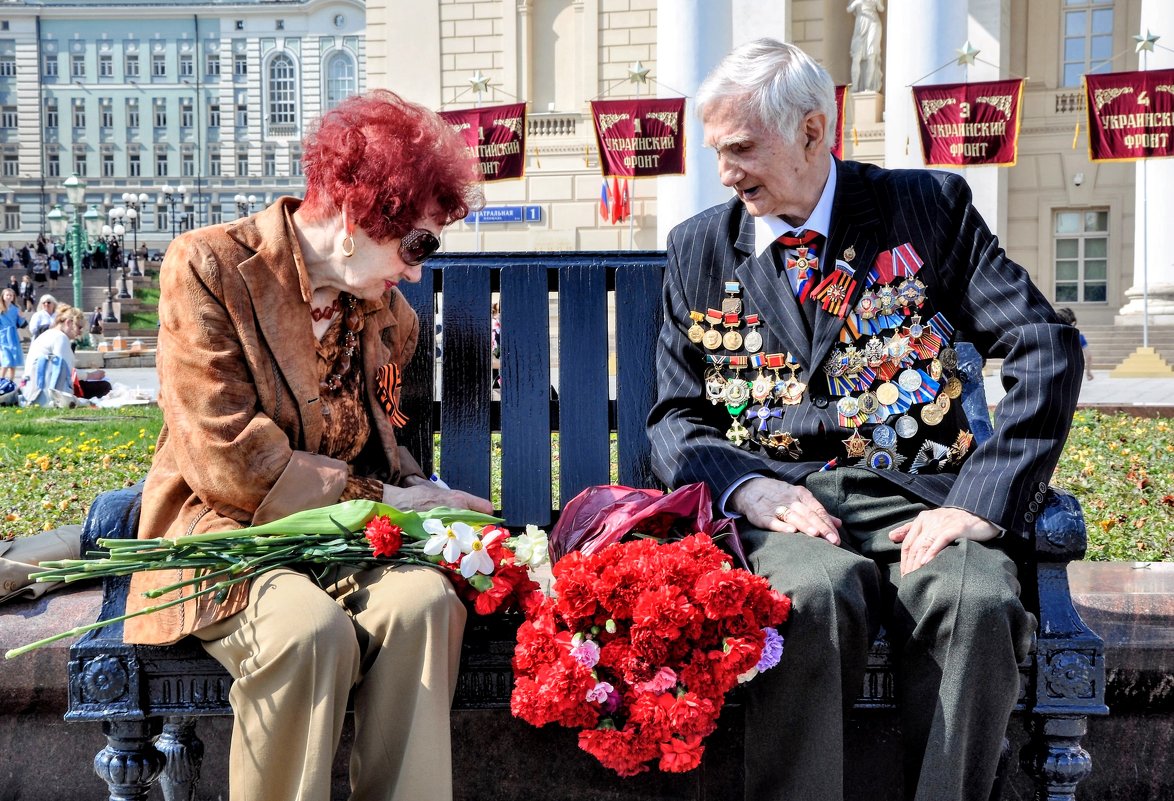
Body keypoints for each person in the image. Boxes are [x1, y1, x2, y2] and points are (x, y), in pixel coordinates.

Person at [647, 39, 1081, 801]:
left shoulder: (926, 208)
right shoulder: (698, 250)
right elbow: (675, 416)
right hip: (786, 507)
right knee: (805, 600)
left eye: (742, 147)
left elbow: (1045, 346)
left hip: (922, 501)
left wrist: (978, 502)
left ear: (814, 131)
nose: (725, 173)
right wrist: (745, 486)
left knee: (976, 603)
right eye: (717, 150)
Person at [122, 89, 490, 801]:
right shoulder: (209, 267)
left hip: (343, 542)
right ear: (356, 218)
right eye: (416, 243)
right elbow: (226, 458)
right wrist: (380, 496)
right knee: (307, 632)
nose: (418, 269)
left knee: (426, 608)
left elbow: (389, 442)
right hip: (223, 532)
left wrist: (429, 501)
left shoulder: (389, 314)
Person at [19, 303, 95, 405]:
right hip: (46, 393)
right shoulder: (60, 338)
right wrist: (90, 375)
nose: (80, 332)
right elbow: (67, 372)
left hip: (31, 390)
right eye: (79, 327)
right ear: (68, 323)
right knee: (103, 386)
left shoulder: (47, 334)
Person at [848, 0, 885, 93]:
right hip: (860, 23)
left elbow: (881, 9)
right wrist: (856, 2)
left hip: (873, 22)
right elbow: (849, 9)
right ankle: (855, 86)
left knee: (871, 55)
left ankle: (868, 87)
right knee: (856, 57)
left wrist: (877, 2)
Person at [1055, 307, 1095, 381]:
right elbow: (1089, 356)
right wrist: (1088, 372)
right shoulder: (1079, 337)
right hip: (1071, 375)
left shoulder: (1051, 336)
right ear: (1072, 323)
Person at [0, 286, 26, 382]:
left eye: (11, 295)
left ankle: (11, 381)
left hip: (13, 336)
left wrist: (22, 316)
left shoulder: (16, 309)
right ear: (3, 296)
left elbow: (22, 324)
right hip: (3, 336)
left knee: (13, 360)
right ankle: (1, 380)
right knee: (6, 360)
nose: (9, 297)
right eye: (7, 295)